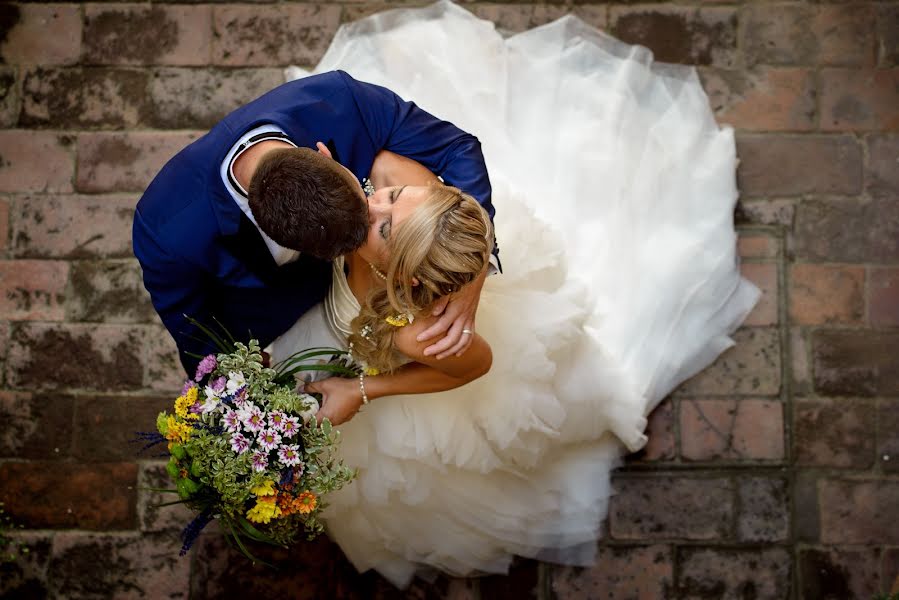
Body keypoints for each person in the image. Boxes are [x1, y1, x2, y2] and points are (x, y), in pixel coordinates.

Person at [269, 1, 762, 588]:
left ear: (406, 282)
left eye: (382, 221)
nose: (372, 201)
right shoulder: (397, 181)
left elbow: (469, 369)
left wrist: (364, 389)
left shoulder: (415, 329)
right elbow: (396, 166)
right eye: (390, 198)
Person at [133, 69, 499, 376]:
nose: (376, 203)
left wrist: (473, 266)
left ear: (325, 154)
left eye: (376, 198)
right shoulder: (165, 233)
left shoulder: (340, 100)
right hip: (277, 325)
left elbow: (457, 149)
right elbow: (199, 340)